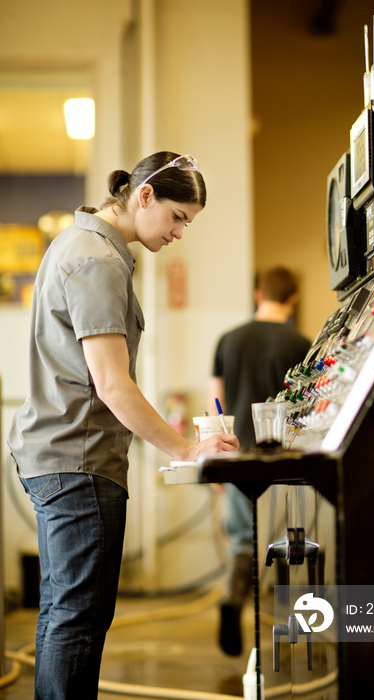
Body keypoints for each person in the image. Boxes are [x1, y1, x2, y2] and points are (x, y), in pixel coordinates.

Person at [7, 151, 239, 700]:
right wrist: (186, 448)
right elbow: (111, 385)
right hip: (78, 461)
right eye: (179, 216)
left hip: (60, 455)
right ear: (144, 196)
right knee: (79, 619)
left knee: (62, 613)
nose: (181, 232)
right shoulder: (97, 259)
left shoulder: (80, 243)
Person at [208, 266, 311, 656]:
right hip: (285, 459)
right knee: (290, 539)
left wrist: (216, 458)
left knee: (242, 540)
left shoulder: (227, 341)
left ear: (258, 294)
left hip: (238, 457)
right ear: (294, 299)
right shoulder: (300, 343)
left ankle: (232, 601)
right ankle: (292, 629)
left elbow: (215, 402)